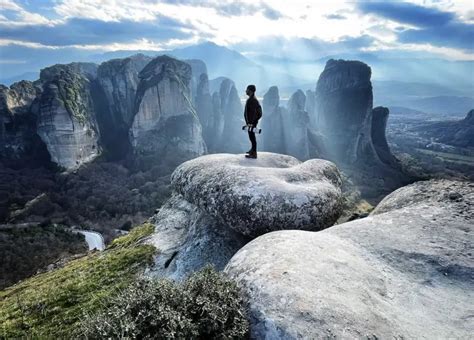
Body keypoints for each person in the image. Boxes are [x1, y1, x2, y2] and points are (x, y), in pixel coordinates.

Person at [244, 84, 262, 159]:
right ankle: (252, 150)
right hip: (251, 123)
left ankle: (254, 153)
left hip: (251, 123)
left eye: (247, 89)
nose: (246, 91)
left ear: (250, 91)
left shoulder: (252, 100)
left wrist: (251, 123)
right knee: (251, 137)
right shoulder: (252, 99)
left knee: (252, 137)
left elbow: (254, 113)